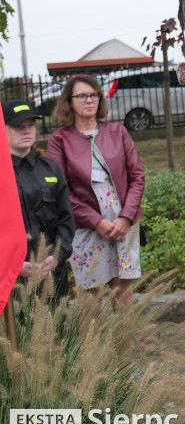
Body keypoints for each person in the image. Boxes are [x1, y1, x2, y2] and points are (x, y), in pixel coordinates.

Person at [48, 75, 145, 300]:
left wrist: (126, 218)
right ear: (69, 101)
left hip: (123, 222)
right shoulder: (59, 139)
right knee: (92, 297)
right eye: (81, 95)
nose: (89, 100)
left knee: (124, 294)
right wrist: (95, 221)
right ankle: (96, 338)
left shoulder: (118, 132)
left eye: (94, 95)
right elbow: (60, 189)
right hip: (85, 225)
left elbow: (137, 177)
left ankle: (126, 338)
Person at [4, 100, 74, 300]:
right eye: (18, 126)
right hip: (12, 281)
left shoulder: (51, 169)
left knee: (58, 330)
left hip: (52, 275)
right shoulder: (2, 173)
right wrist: (12, 266)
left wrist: (57, 257)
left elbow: (66, 220)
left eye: (30, 125)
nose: (26, 131)